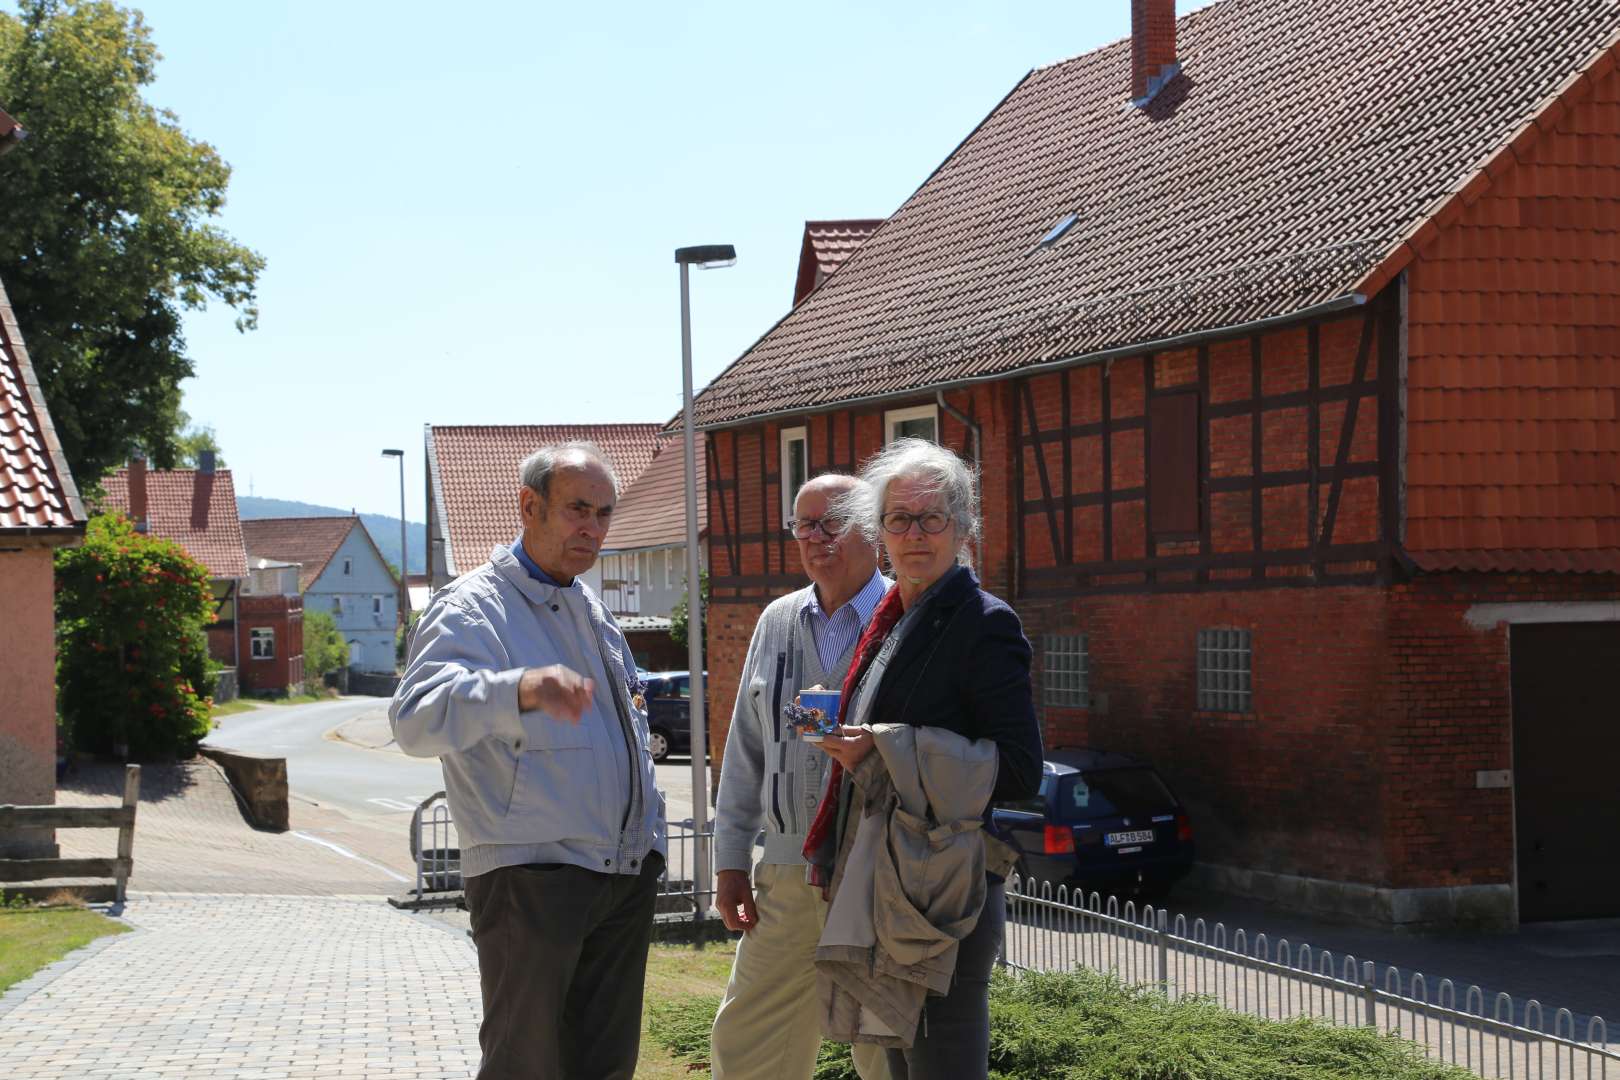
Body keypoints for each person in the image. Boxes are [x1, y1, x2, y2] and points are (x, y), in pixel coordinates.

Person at [390, 441, 665, 1080]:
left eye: (603, 514)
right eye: (576, 509)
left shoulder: (590, 610)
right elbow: (414, 720)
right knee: (525, 1068)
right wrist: (516, 689)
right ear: (527, 506)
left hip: (621, 874)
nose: (591, 529)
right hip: (531, 880)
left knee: (602, 1069)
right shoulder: (471, 606)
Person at [811, 437, 1042, 1080]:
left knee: (942, 1060)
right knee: (898, 1062)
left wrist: (887, 746)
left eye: (932, 517)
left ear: (963, 528)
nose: (915, 534)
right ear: (878, 532)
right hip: (887, 875)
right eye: (899, 519)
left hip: (945, 889)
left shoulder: (984, 622)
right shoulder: (888, 621)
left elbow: (1021, 770)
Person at [709, 473, 892, 1080]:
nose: (817, 537)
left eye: (833, 520)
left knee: (885, 1050)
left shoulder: (908, 620)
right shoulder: (776, 621)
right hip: (784, 877)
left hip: (877, 874)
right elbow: (745, 750)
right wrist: (730, 859)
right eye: (804, 524)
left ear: (873, 529)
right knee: (748, 1047)